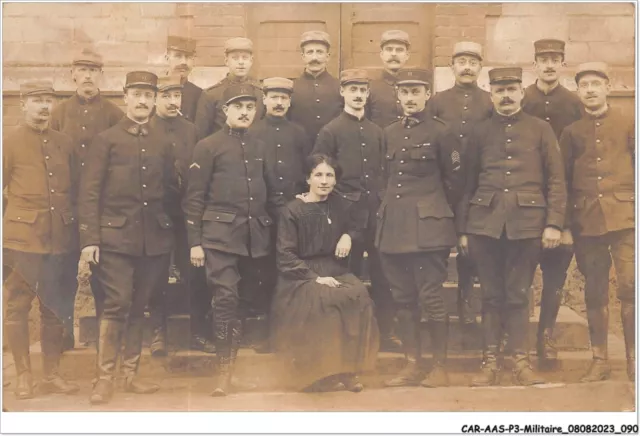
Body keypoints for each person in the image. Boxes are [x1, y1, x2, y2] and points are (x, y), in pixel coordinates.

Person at [458, 67, 566, 387]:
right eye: (499, 90)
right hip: (484, 226)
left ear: (522, 92)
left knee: (518, 294)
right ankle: (489, 362)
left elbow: (556, 181)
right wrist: (463, 230)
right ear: (490, 94)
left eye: (511, 89)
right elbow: (466, 184)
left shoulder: (541, 129)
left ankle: (521, 362)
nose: (505, 96)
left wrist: (553, 224)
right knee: (491, 295)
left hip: (528, 226)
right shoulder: (478, 132)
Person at [79, 71, 178, 404]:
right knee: (117, 303)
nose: (142, 101)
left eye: (148, 95)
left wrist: (171, 234)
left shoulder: (163, 141)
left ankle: (130, 375)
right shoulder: (106, 140)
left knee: (139, 306)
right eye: (136, 94)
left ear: (153, 100)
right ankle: (104, 378)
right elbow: (89, 193)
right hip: (115, 240)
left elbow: (170, 191)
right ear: (125, 97)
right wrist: (90, 240)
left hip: (154, 240)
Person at [185, 84, 281, 397]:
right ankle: (223, 372)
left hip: (256, 238)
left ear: (257, 111)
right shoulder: (208, 146)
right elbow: (194, 198)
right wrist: (195, 242)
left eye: (250, 107)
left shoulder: (261, 144)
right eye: (237, 107)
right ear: (225, 111)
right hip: (219, 238)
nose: (244, 112)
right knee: (225, 298)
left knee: (247, 300)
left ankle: (240, 365)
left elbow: (271, 192)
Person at [378, 69, 463, 388]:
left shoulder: (443, 132)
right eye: (405, 92)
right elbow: (382, 176)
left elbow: (455, 180)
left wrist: (436, 209)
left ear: (428, 94)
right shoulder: (388, 132)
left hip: (428, 228)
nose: (410, 98)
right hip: (394, 227)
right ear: (397, 96)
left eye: (416, 91)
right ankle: (412, 364)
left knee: (431, 296)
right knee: (403, 297)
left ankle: (439, 366)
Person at [271, 154, 379, 392]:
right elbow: (285, 254)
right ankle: (321, 372)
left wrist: (348, 235)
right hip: (301, 275)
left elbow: (359, 220)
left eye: (329, 175)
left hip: (335, 269)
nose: (324, 181)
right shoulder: (293, 210)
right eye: (318, 175)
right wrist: (314, 277)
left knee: (359, 295)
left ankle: (348, 371)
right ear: (308, 178)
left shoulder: (340, 204)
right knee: (324, 300)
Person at [313, 69, 401, 352]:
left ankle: (384, 333)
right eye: (353, 90)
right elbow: (321, 173)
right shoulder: (330, 131)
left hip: (375, 215)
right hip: (344, 217)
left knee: (383, 275)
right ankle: (345, 337)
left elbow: (387, 172)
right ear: (343, 93)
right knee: (344, 278)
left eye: (363, 90)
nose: (359, 95)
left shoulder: (378, 132)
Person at [3, 81, 80, 399]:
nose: (44, 106)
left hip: (59, 239)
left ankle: (51, 373)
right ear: (23, 104)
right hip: (22, 241)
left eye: (49, 100)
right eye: (37, 100)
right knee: (18, 306)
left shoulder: (64, 143)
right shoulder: (10, 142)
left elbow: (74, 189)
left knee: (54, 307)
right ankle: (23, 375)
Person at [560, 62, 635, 382]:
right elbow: (560, 181)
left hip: (626, 218)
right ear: (579, 92)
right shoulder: (572, 132)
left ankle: (634, 359)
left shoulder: (629, 123)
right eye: (584, 85)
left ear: (608, 87)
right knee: (594, 290)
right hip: (586, 219)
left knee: (632, 286)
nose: (590, 89)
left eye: (596, 83)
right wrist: (563, 224)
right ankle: (599, 358)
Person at [50, 48, 124, 350]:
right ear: (73, 74)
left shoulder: (113, 113)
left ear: (101, 76)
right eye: (83, 70)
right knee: (65, 268)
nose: (88, 76)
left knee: (102, 269)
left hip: (102, 203)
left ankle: (102, 337)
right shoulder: (59, 113)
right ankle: (65, 332)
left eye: (94, 71)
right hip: (67, 203)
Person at [521, 39, 584, 363]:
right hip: (527, 200)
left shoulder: (573, 103)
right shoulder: (524, 99)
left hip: (563, 198)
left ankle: (546, 338)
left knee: (554, 277)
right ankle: (517, 340)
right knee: (521, 274)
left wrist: (566, 222)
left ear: (562, 64)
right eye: (543, 59)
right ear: (534, 64)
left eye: (554, 59)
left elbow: (577, 166)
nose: (548, 65)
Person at [426, 41, 493, 332]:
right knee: (438, 242)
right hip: (444, 183)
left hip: (478, 182)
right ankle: (433, 304)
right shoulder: (438, 101)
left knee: (472, 245)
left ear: (480, 67)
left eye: (473, 62)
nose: (467, 67)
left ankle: (466, 300)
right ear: (452, 66)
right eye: (461, 61)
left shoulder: (490, 101)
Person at [147, 75, 214, 356]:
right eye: (166, 96)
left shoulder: (191, 130)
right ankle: (157, 332)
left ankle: (198, 331)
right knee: (157, 274)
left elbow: (199, 173)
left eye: (177, 96)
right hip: (156, 214)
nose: (174, 101)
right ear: (154, 99)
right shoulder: (145, 128)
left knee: (195, 273)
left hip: (187, 213)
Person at [249, 77, 311, 351]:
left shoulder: (299, 133)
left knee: (293, 270)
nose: (278, 102)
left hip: (294, 213)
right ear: (264, 99)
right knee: (265, 272)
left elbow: (308, 172)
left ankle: (295, 332)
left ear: (290, 101)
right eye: (273, 97)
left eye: (284, 98)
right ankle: (267, 333)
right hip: (262, 214)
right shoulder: (253, 132)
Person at [195, 37, 264, 140]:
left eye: (245, 58)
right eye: (235, 58)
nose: (241, 62)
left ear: (251, 61)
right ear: (226, 61)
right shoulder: (212, 94)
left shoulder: (260, 93)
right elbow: (201, 135)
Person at [289, 31, 343, 144]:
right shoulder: (292, 87)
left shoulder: (339, 87)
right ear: (303, 57)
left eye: (319, 52)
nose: (315, 57)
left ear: (327, 56)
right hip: (300, 152)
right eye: (310, 52)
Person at [366, 30, 411, 128]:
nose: (394, 54)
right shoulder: (370, 88)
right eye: (389, 49)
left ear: (407, 55)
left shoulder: (416, 88)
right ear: (381, 54)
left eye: (399, 50)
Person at [165, 35, 202, 123]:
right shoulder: (154, 90)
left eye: (188, 57)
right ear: (167, 58)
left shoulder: (199, 95)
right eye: (178, 56)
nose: (184, 62)